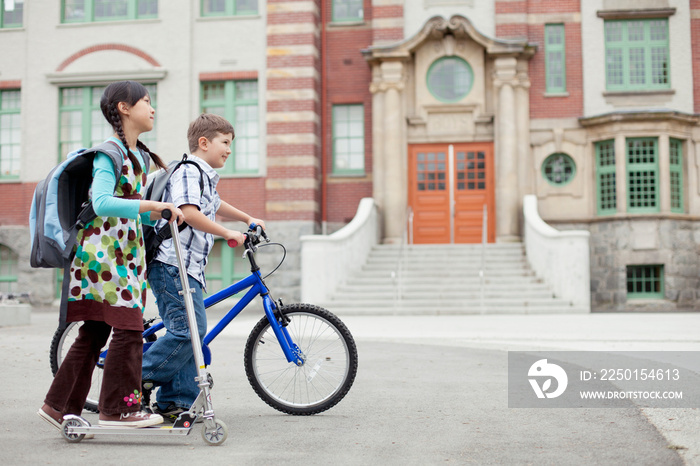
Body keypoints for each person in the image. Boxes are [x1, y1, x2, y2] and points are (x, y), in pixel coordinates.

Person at [37, 81, 184, 430]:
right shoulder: (110, 152)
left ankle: (58, 406)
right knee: (129, 327)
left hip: (122, 254)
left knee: (94, 332)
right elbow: (102, 202)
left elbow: (129, 208)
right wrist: (151, 205)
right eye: (146, 102)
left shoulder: (139, 156)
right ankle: (119, 408)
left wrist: (162, 214)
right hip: (103, 257)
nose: (152, 108)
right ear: (124, 108)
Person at [142, 113, 265, 421]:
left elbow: (216, 204)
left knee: (192, 334)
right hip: (172, 264)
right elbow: (189, 212)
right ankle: (129, 380)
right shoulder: (188, 171)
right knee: (188, 332)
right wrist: (226, 233)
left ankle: (175, 401)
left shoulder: (204, 175)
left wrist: (247, 218)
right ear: (204, 142)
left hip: (189, 268)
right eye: (225, 142)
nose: (229, 150)